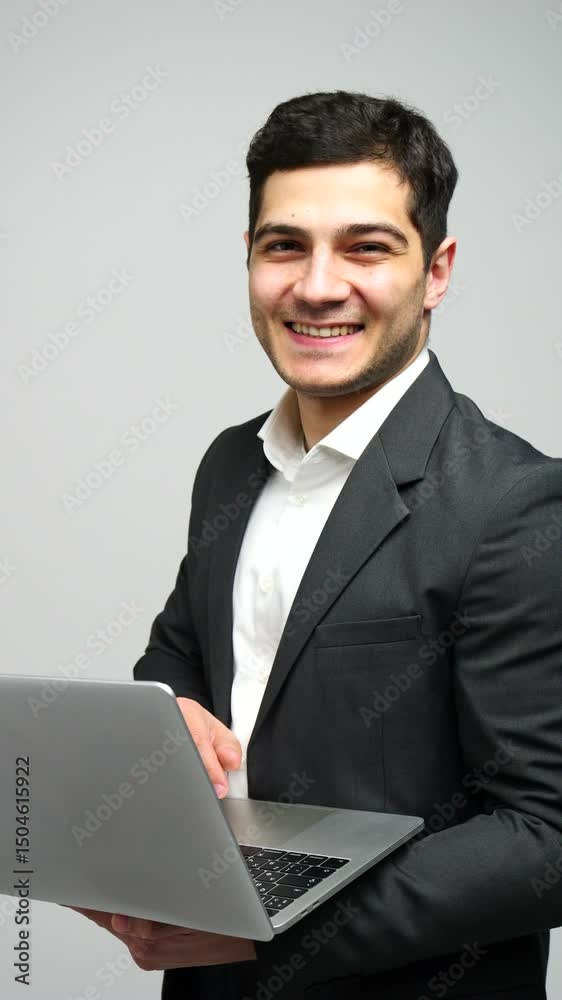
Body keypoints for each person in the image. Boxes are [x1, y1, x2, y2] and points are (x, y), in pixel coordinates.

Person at [73, 91, 562, 999]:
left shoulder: (517, 505)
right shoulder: (230, 465)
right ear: (250, 259)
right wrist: (166, 721)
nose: (317, 286)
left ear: (437, 270)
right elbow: (180, 657)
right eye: (285, 246)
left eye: (366, 247)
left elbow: (547, 837)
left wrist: (270, 932)